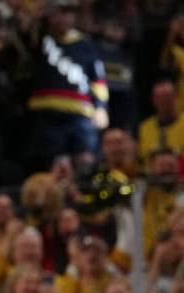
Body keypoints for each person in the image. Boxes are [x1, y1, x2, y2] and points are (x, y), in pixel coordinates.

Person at [28, 0, 109, 171]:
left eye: (68, 12)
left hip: (81, 116)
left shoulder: (86, 44)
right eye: (57, 12)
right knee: (52, 165)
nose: (63, 18)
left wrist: (101, 107)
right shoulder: (39, 40)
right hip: (47, 115)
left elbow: (98, 79)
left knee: (86, 162)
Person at [138, 79, 184, 165]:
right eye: (160, 97)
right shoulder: (145, 128)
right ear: (153, 100)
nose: (164, 101)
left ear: (176, 97)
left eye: (167, 96)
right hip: (150, 177)